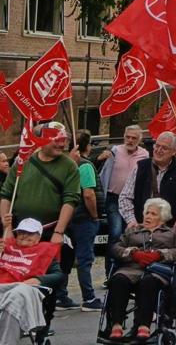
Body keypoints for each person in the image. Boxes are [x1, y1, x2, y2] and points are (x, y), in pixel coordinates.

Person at [0, 121, 80, 334]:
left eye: (64, 140)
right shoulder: (22, 160)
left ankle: (42, 323)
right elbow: (6, 194)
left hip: (49, 231)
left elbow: (70, 199)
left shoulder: (69, 166)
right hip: (19, 230)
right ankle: (12, 317)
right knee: (12, 272)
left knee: (48, 280)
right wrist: (6, 226)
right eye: (57, 140)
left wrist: (58, 232)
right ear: (41, 139)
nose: (62, 144)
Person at [104, 198, 176, 341]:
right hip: (131, 269)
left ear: (162, 218)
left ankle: (144, 325)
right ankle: (116, 325)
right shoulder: (133, 231)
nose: (148, 216)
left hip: (156, 271)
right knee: (118, 280)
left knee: (148, 282)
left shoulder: (171, 233)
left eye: (153, 214)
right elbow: (115, 248)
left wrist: (160, 254)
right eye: (147, 213)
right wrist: (133, 253)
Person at [118, 131, 176, 245]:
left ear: (174, 151)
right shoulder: (141, 166)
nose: (158, 150)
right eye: (157, 146)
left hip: (170, 230)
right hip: (141, 228)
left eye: (164, 148)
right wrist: (131, 220)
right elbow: (125, 197)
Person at [0, 217, 66, 344]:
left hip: (23, 289)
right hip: (2, 288)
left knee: (17, 295)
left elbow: (59, 275)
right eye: (21, 232)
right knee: (12, 297)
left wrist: (38, 279)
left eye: (30, 233)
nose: (24, 235)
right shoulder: (5, 246)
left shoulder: (44, 251)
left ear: (38, 237)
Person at [58, 128, 102, 312]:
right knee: (85, 258)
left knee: (66, 259)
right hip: (83, 219)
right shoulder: (85, 166)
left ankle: (61, 296)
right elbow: (89, 194)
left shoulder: (64, 165)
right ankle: (89, 298)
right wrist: (94, 215)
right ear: (87, 146)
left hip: (67, 218)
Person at [99, 125, 148, 274]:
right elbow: (101, 171)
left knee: (133, 234)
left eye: (134, 138)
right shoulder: (114, 151)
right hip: (114, 198)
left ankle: (129, 269)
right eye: (128, 137)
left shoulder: (145, 155)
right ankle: (110, 272)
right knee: (115, 233)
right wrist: (99, 158)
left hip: (134, 200)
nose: (130, 140)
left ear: (139, 140)